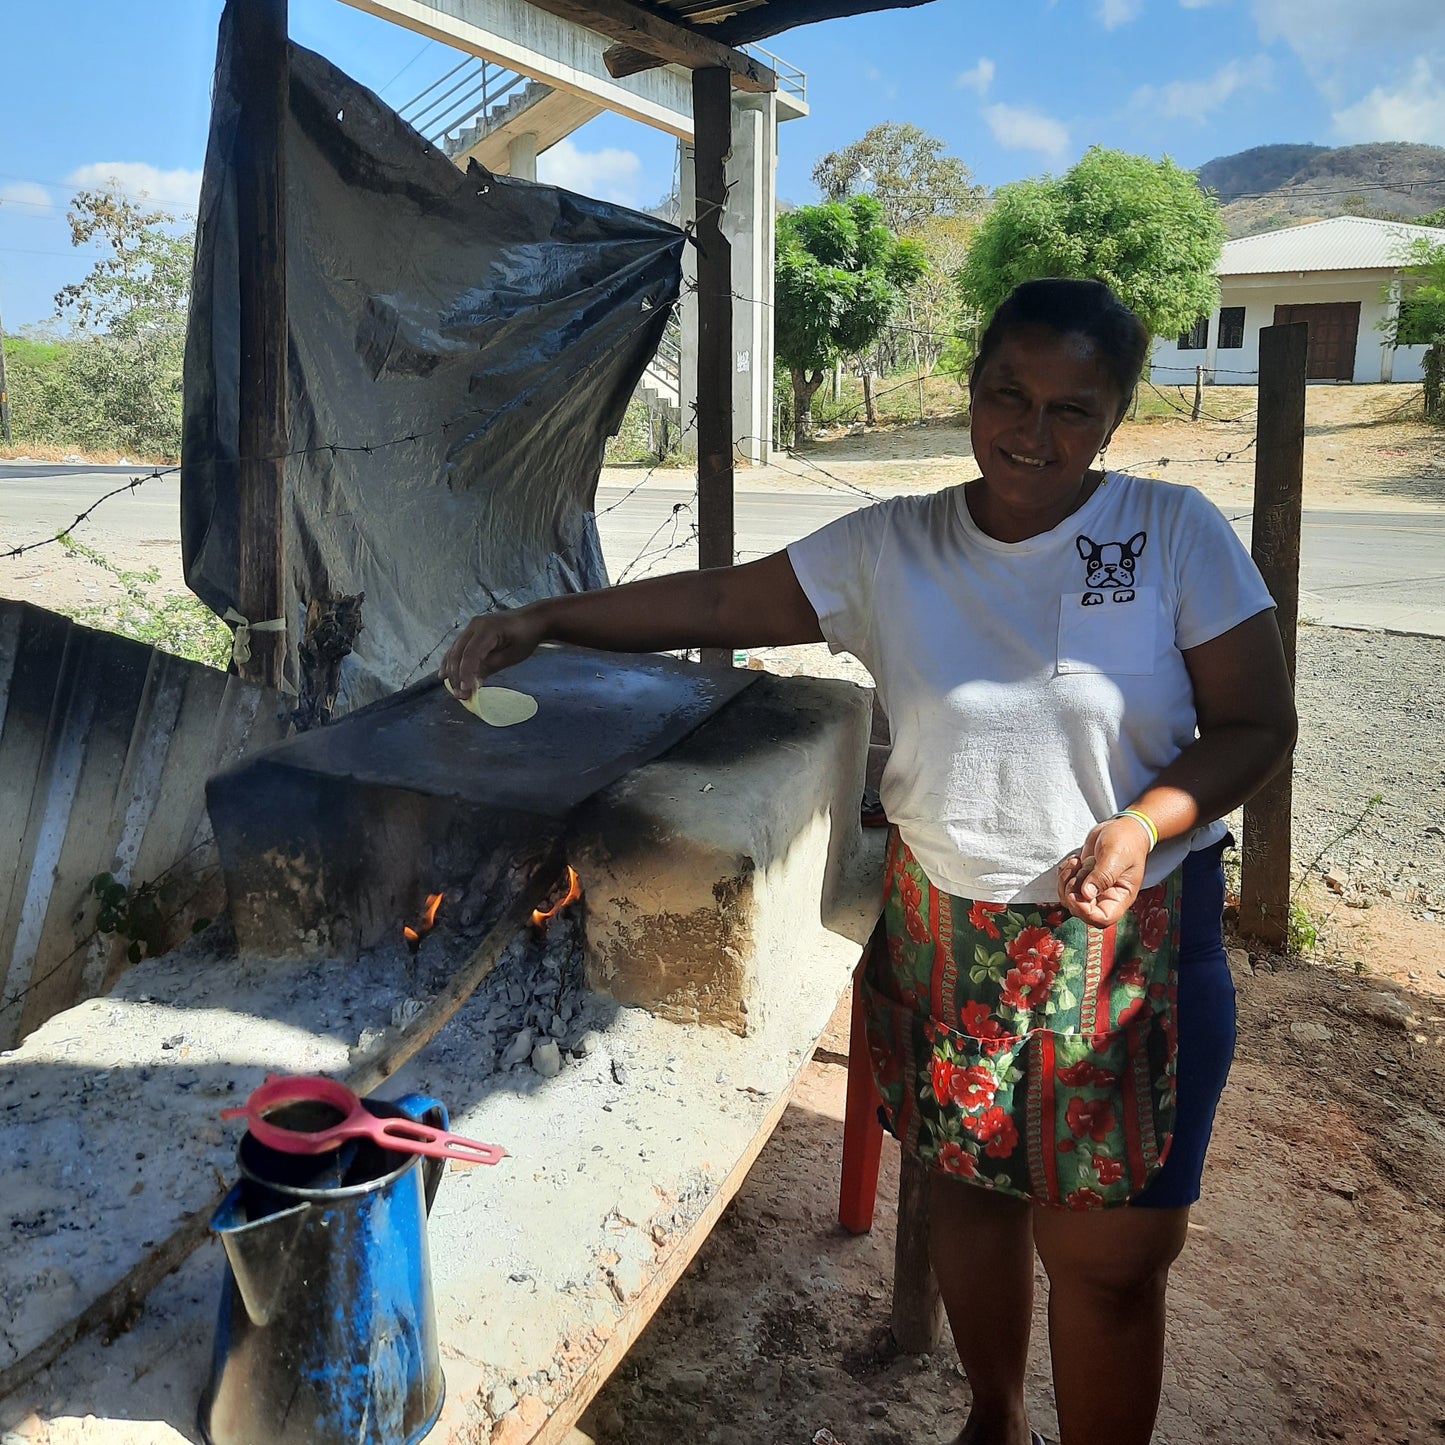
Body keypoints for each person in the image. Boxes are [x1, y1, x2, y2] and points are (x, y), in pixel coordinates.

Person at [442, 277, 1297, 1445]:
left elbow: (1255, 721)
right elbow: (719, 600)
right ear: (970, 387)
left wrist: (1144, 820)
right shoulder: (894, 545)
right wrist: (548, 618)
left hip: (1125, 937)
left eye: (1069, 408)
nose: (1030, 431)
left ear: (1112, 418)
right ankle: (993, 1415)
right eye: (1007, 394)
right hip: (947, 930)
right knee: (967, 1198)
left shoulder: (1171, 533)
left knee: (1104, 1262)